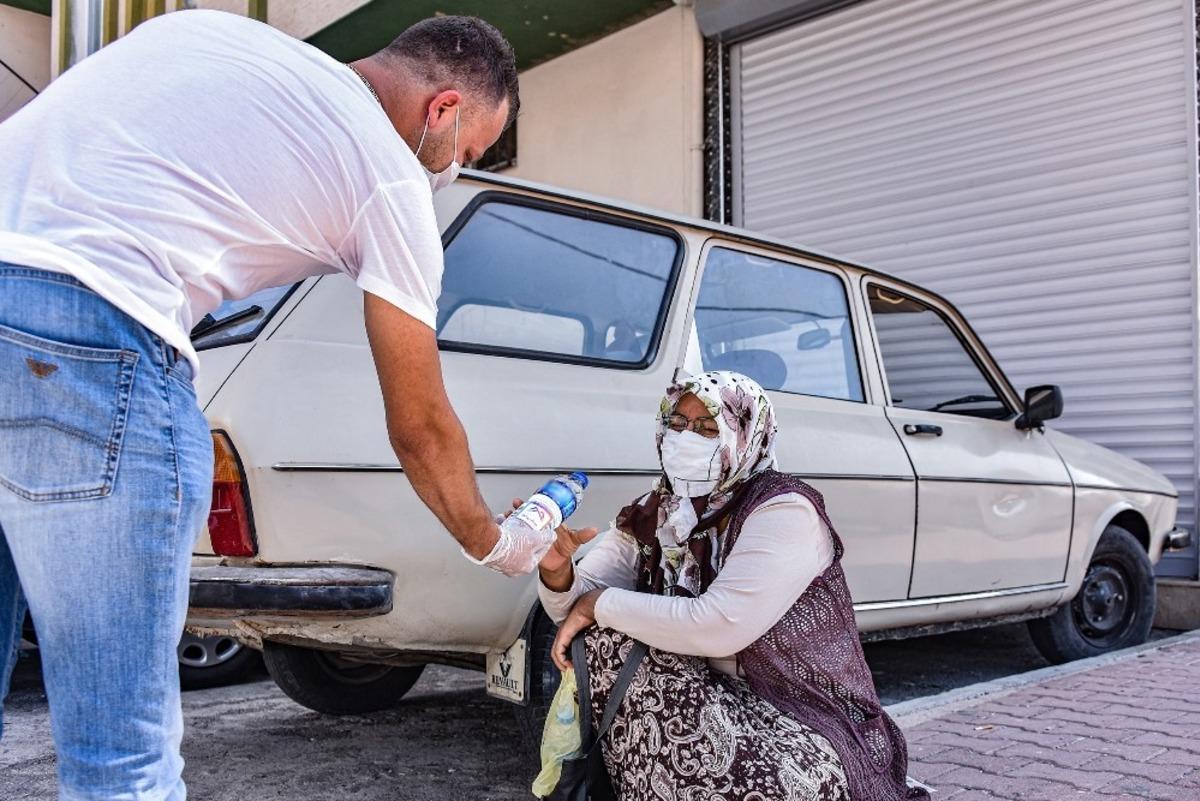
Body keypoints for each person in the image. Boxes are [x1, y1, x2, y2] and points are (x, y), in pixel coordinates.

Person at [0, 9, 528, 799]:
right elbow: (419, 424)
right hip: (91, 334)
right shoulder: (388, 173)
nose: (452, 170)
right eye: (471, 151)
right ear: (442, 110)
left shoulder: (215, 35)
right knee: (119, 760)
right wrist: (496, 543)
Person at [536, 371, 930, 801]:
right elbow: (575, 611)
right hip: (710, 698)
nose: (687, 439)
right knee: (604, 638)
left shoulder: (783, 510)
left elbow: (718, 624)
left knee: (767, 786)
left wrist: (598, 603)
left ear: (745, 436)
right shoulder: (658, 511)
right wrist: (558, 572)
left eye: (707, 428)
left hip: (800, 710)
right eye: (678, 425)